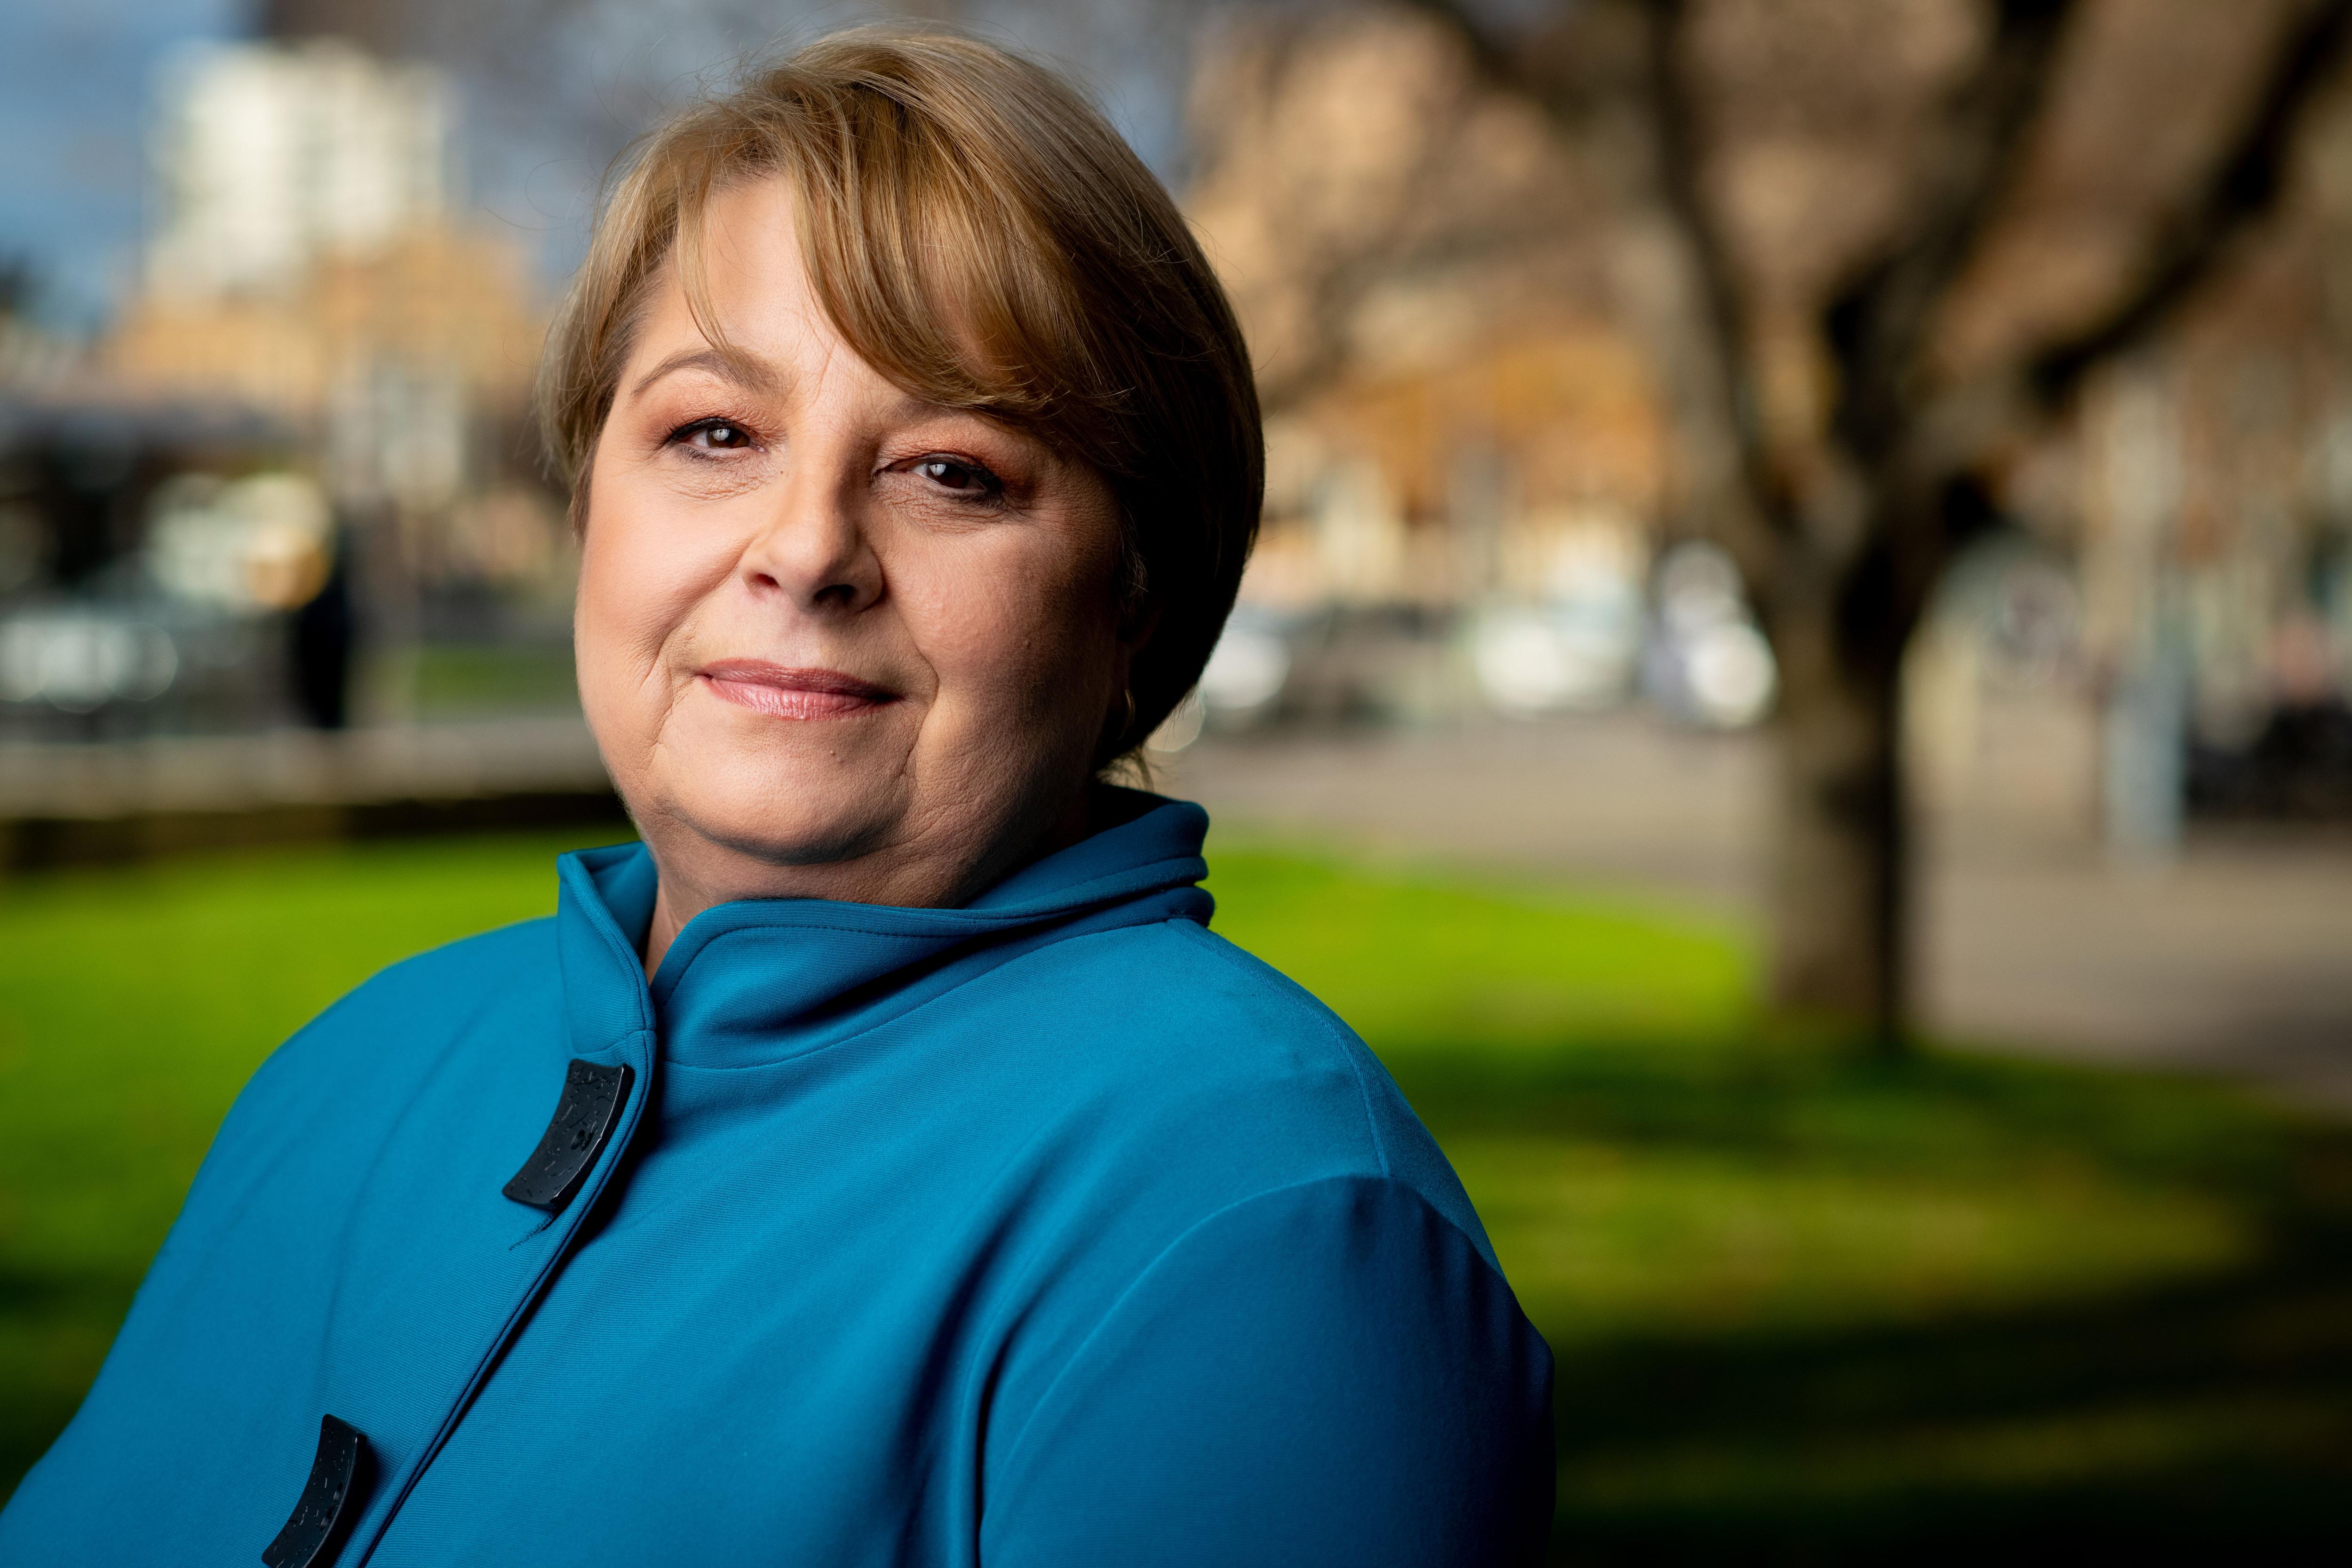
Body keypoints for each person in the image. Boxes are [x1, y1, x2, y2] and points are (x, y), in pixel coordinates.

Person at [0, 29, 1553, 1566]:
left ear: (1135, 590)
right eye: (716, 434)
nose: (806, 550)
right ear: (588, 496)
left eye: (954, 469)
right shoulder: (355, 1066)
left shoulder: (1264, 1232)